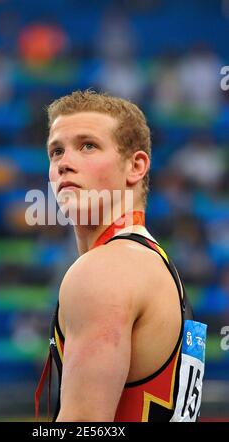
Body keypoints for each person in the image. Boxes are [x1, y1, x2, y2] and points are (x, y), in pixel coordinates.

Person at [35, 90, 207, 422]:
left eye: (88, 146)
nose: (64, 163)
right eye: (56, 151)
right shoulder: (154, 264)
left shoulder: (106, 271)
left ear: (136, 165)